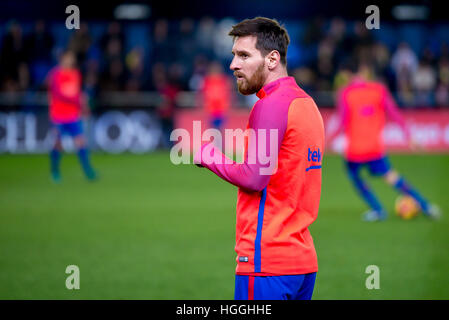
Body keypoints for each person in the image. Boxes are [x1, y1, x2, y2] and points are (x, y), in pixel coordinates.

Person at [194, 17, 324, 300]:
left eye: (243, 55)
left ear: (272, 59)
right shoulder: (306, 104)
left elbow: (254, 177)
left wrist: (208, 155)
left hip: (267, 262)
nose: (233, 65)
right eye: (233, 56)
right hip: (302, 262)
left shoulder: (270, 106)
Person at [329, 61, 440, 221]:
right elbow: (395, 115)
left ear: (349, 74)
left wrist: (328, 139)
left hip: (355, 149)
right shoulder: (379, 90)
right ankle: (425, 206)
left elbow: (343, 122)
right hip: (375, 148)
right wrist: (409, 137)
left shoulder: (345, 93)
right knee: (391, 177)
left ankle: (378, 210)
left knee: (354, 176)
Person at [47, 50, 97, 182]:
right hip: (58, 115)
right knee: (58, 144)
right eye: (68, 58)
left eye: (72, 58)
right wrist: (77, 99)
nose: (70, 61)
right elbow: (59, 94)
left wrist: (83, 106)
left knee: (81, 142)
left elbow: (77, 92)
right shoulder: (56, 74)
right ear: (62, 59)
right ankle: (55, 171)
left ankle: (88, 171)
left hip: (73, 115)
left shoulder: (75, 74)